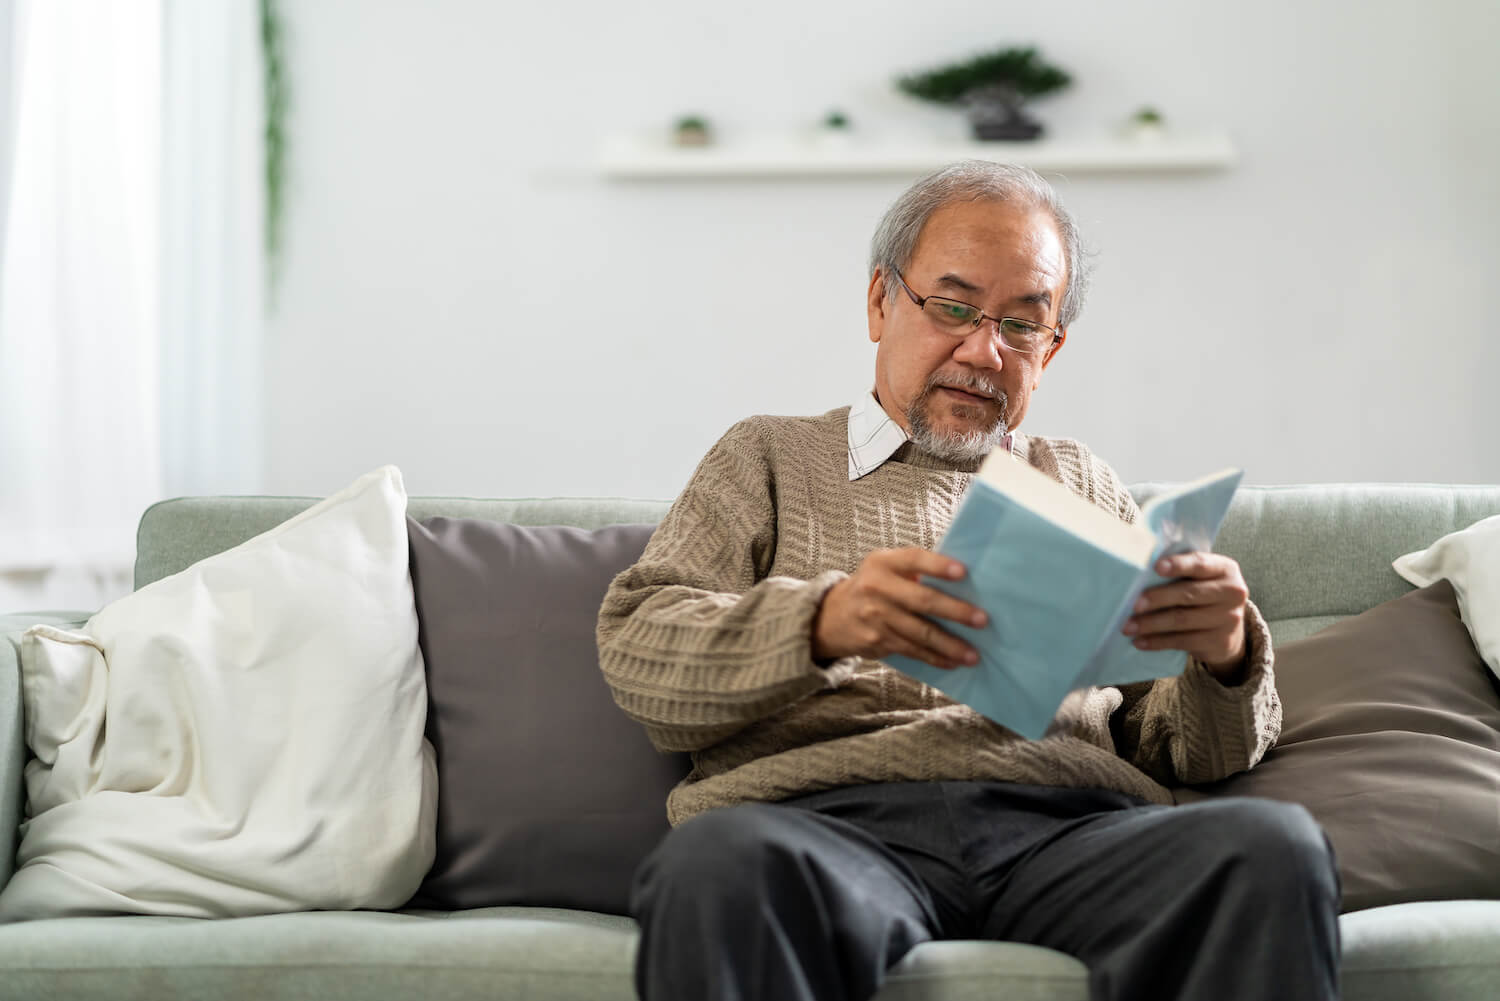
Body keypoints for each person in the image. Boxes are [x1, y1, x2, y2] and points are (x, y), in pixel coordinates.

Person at [596, 160, 1341, 1001]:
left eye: (1023, 326)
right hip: (825, 828)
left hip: (1068, 831)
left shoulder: (1081, 479)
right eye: (953, 307)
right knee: (718, 865)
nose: (984, 351)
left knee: (1271, 846)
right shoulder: (767, 455)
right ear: (881, 302)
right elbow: (641, 650)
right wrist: (824, 621)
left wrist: (1226, 657)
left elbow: (1179, 748)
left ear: (1051, 349)